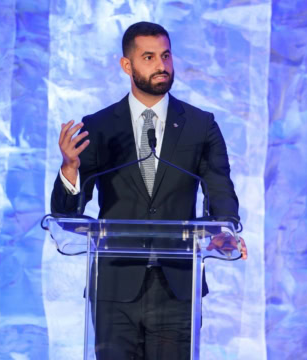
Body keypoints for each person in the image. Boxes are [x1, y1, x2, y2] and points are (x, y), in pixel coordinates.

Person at [51, 21, 247, 360]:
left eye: (166, 56)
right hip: (114, 288)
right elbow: (67, 213)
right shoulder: (99, 127)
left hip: (176, 288)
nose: (162, 66)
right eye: (149, 57)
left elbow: (219, 186)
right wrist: (70, 168)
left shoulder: (201, 125)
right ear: (127, 65)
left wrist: (224, 228)